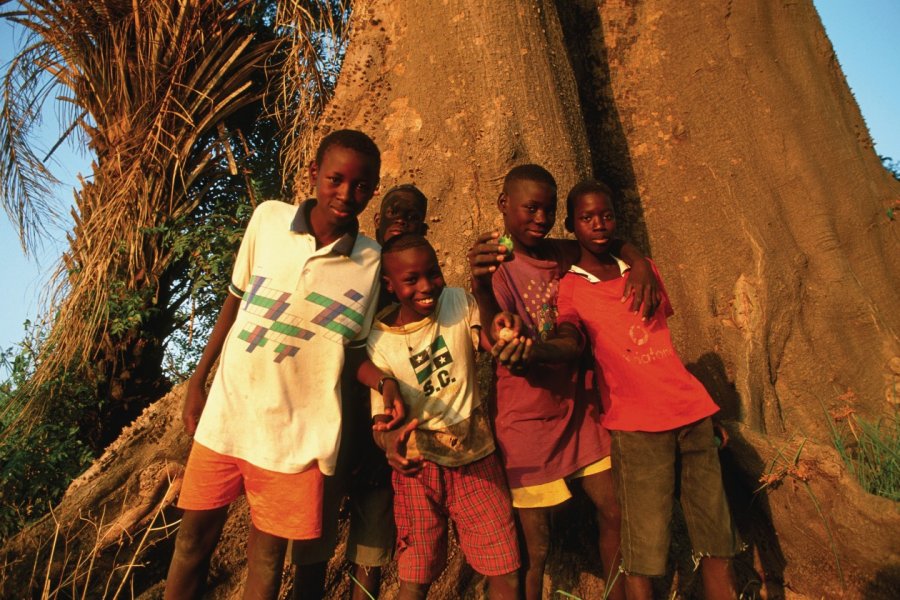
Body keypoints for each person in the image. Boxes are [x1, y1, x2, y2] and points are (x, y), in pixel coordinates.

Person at [164, 130, 404, 600]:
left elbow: (351, 350)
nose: (345, 194)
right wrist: (199, 380)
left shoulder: (371, 260)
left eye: (360, 186)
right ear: (314, 174)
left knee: (268, 561)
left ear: (373, 189)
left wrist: (384, 381)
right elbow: (232, 304)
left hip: (298, 435)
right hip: (230, 415)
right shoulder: (268, 220)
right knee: (192, 543)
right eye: (335, 179)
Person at [527, 179, 741, 600]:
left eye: (606, 215)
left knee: (717, 535)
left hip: (692, 414)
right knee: (643, 543)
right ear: (571, 225)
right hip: (636, 426)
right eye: (587, 218)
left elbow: (664, 348)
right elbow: (571, 335)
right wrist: (539, 350)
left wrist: (639, 261)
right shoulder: (571, 287)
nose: (599, 225)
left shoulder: (644, 271)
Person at [467, 164, 659, 600]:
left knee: (615, 510)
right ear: (504, 205)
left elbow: (607, 243)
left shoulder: (561, 253)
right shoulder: (495, 264)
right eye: (530, 208)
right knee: (535, 546)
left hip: (581, 410)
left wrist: (639, 262)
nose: (540, 218)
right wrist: (480, 286)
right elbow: (494, 327)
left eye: (548, 210)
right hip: (526, 422)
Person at [292, 184, 430, 600]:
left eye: (411, 216)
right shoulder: (358, 271)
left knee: (370, 551)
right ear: (377, 222)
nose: (401, 222)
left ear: (423, 227)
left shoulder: (423, 290)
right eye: (393, 214)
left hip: (383, 447)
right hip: (331, 433)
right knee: (313, 547)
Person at [368, 233, 520, 600]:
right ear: (389, 286)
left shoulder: (456, 301)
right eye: (411, 279)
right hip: (418, 471)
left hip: (476, 457)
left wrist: (499, 323)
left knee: (505, 569)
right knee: (415, 575)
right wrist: (390, 443)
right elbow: (380, 422)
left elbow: (490, 340)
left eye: (432, 273)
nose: (426, 286)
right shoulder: (379, 341)